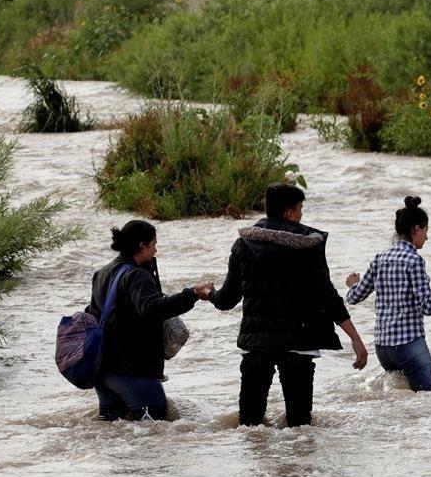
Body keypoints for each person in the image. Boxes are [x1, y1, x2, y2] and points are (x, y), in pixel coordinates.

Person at [209, 183, 368, 427]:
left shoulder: (243, 245)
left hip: (256, 344)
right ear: (289, 214)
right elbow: (327, 296)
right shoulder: (309, 247)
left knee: (249, 426)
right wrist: (355, 338)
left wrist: (208, 294)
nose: (302, 215)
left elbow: (227, 299)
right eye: (300, 209)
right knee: (300, 426)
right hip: (299, 344)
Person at [345, 196, 431, 392]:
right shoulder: (414, 260)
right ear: (416, 229)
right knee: (430, 398)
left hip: (383, 348)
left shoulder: (379, 258)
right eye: (426, 231)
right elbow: (429, 307)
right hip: (408, 344)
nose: (427, 237)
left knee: (404, 401)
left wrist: (352, 284)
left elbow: (353, 297)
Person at [87, 220, 213, 421]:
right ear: (141, 246)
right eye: (153, 244)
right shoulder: (137, 275)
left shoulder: (101, 273)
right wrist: (193, 293)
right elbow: (153, 308)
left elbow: (92, 314)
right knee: (154, 429)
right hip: (133, 371)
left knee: (113, 433)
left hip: (104, 370)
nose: (156, 249)